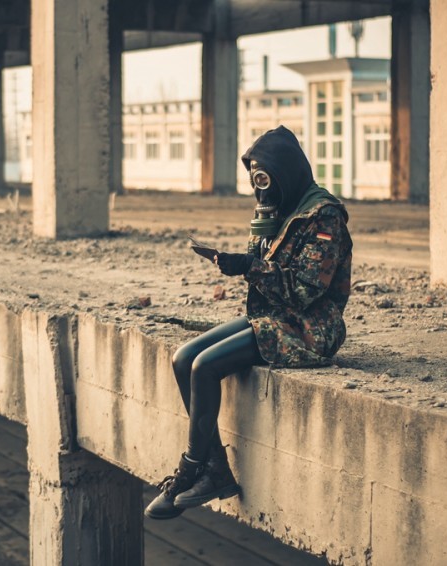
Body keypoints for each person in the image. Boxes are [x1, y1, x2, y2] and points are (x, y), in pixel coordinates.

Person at [145, 126, 353, 520]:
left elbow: (305, 291)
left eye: (265, 179)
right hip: (273, 317)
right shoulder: (282, 207)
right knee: (184, 356)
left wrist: (249, 266)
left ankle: (193, 470)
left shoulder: (323, 216)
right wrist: (251, 246)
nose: (261, 191)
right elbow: (263, 267)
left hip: (311, 330)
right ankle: (216, 471)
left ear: (285, 172)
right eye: (255, 181)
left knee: (206, 367)